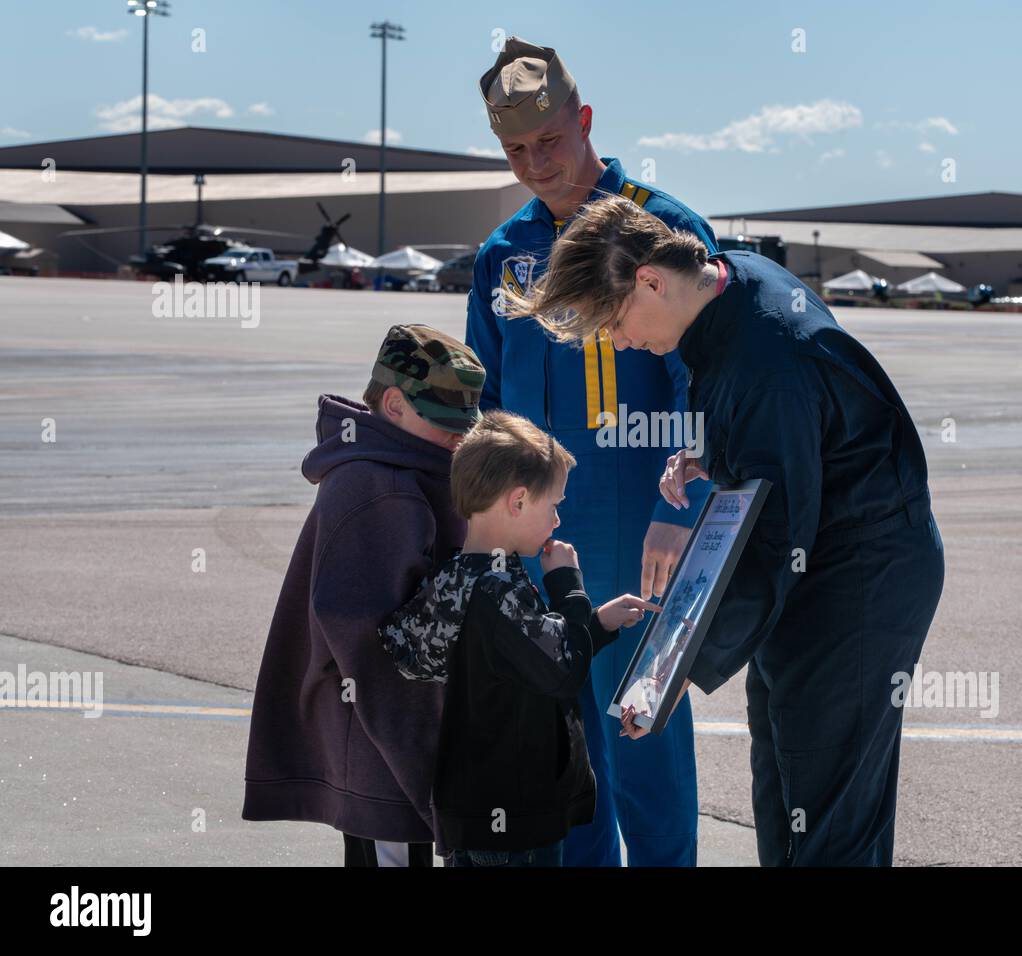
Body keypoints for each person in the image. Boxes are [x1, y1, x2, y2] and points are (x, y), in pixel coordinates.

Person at [501, 195, 946, 866]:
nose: (621, 342)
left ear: (650, 279)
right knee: (788, 775)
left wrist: (678, 665)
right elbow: (798, 441)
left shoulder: (767, 356)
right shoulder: (729, 281)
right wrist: (718, 454)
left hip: (858, 577)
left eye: (616, 321)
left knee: (826, 807)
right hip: (824, 559)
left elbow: (778, 540)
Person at [465, 35, 716, 866]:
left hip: (645, 539)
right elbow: (489, 409)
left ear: (586, 119)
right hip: (540, 551)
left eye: (551, 141)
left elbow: (705, 386)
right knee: (563, 756)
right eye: (516, 150)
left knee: (644, 745)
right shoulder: (502, 255)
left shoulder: (662, 229)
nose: (536, 163)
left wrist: (678, 514)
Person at [242, 325, 486, 867]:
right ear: (394, 403)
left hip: (392, 749)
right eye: (444, 423)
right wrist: (428, 776)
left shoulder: (411, 469)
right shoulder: (383, 488)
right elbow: (372, 652)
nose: (457, 439)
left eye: (464, 426)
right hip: (388, 755)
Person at [378, 410, 660, 866]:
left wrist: (597, 625)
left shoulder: (459, 577)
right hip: (513, 819)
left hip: (475, 811)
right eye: (554, 505)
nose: (556, 519)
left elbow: (525, 651)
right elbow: (560, 670)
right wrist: (568, 586)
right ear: (519, 501)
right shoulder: (499, 590)